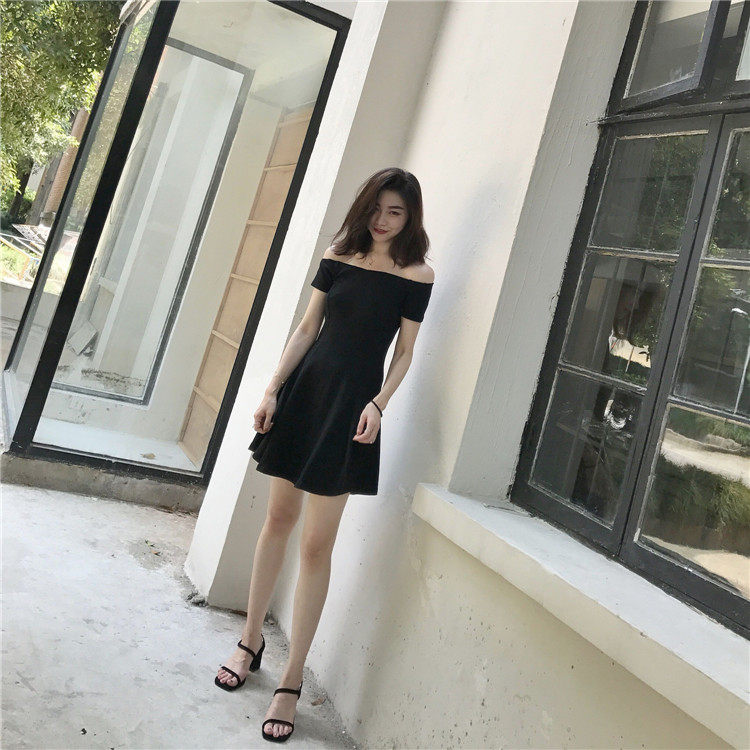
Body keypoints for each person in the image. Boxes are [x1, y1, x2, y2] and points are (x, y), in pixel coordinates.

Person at [214, 167, 435, 743]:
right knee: (277, 521)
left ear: (410, 218)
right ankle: (250, 641)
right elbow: (307, 328)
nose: (383, 221)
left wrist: (379, 404)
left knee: (316, 545)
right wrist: (272, 389)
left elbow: (405, 352)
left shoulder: (417, 275)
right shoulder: (338, 256)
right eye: (376, 209)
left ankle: (291, 680)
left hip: (351, 410)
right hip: (306, 395)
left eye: (395, 212)